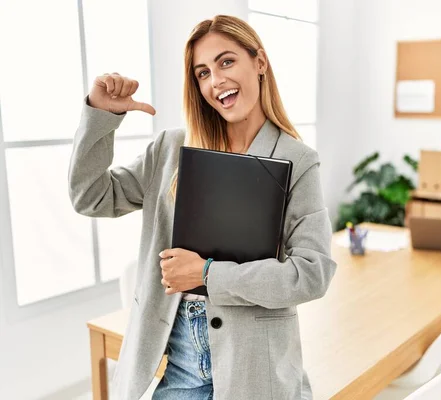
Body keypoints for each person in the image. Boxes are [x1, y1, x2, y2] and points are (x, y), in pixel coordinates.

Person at [68, 14, 337, 400]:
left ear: (259, 62)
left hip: (255, 368)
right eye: (202, 72)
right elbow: (90, 196)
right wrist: (100, 115)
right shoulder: (171, 150)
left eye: (226, 61)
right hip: (180, 367)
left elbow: (312, 274)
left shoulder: (298, 160)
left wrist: (209, 274)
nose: (216, 80)